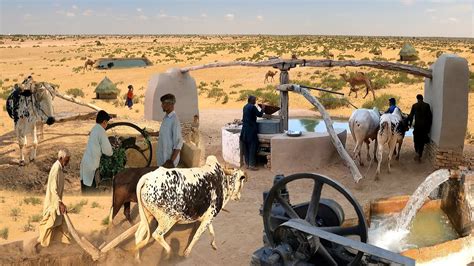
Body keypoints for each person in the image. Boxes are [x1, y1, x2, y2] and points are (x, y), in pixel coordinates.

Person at [38, 148, 71, 247]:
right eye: (67, 160)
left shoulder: (60, 168)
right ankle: (41, 245)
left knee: (61, 223)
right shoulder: (56, 169)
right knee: (49, 224)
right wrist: (59, 203)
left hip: (56, 202)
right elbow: (53, 189)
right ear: (61, 158)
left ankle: (65, 243)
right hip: (53, 204)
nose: (68, 162)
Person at [80, 110, 113, 193]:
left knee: (85, 192)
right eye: (107, 122)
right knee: (91, 193)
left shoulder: (94, 128)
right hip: (91, 167)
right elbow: (108, 151)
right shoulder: (101, 131)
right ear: (104, 122)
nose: (107, 125)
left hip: (84, 165)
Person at [157, 93, 183, 168]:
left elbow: (179, 143)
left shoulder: (175, 120)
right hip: (162, 158)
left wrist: (171, 162)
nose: (161, 105)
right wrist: (150, 133)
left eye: (163, 103)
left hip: (169, 162)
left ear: (170, 104)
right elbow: (164, 133)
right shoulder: (166, 117)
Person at [240, 95, 265, 171]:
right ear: (251, 100)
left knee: (246, 146)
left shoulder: (245, 106)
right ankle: (251, 165)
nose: (255, 101)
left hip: (244, 129)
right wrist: (263, 109)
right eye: (254, 100)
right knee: (252, 146)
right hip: (251, 130)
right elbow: (259, 115)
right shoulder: (253, 107)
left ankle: (247, 164)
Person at [407, 94, 432, 162]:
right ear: (422, 98)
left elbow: (411, 116)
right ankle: (420, 154)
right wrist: (428, 127)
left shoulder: (414, 105)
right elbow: (429, 117)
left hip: (417, 126)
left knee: (416, 140)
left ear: (417, 99)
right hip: (424, 127)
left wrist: (409, 124)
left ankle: (417, 152)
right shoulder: (427, 105)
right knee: (422, 142)